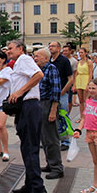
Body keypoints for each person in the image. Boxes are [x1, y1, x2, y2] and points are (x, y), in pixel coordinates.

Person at [7, 40, 48, 193]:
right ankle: (30, 183)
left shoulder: (24, 59)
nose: (8, 51)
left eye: (10, 48)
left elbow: (39, 75)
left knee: (30, 147)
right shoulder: (18, 63)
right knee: (26, 147)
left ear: (20, 49)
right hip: (25, 107)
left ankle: (38, 188)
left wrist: (20, 91)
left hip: (30, 105)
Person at [74, 78, 97, 193]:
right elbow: (84, 117)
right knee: (95, 161)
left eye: (94, 88)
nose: (91, 90)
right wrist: (78, 130)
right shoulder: (88, 101)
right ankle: (94, 185)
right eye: (89, 88)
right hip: (89, 132)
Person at [34, 48, 64, 179]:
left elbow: (56, 90)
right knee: (44, 137)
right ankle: (50, 163)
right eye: (34, 56)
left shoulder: (51, 69)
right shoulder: (39, 70)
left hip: (48, 104)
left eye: (38, 57)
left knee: (51, 138)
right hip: (40, 104)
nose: (35, 59)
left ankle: (57, 167)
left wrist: (53, 110)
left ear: (46, 58)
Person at [49, 41, 74, 150]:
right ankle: (52, 139)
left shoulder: (64, 61)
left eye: (53, 46)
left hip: (61, 93)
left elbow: (70, 78)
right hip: (50, 93)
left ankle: (66, 141)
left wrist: (63, 91)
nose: (51, 48)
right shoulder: (49, 60)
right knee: (50, 116)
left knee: (63, 116)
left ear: (58, 48)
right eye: (50, 46)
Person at [73, 47, 92, 123]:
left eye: (82, 52)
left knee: (86, 100)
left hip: (85, 78)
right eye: (79, 53)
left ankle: (87, 117)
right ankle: (81, 117)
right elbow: (76, 73)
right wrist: (74, 84)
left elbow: (90, 73)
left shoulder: (89, 62)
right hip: (79, 79)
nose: (80, 54)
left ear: (85, 53)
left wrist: (88, 84)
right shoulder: (78, 62)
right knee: (81, 101)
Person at [62, 45, 78, 113]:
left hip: (69, 82)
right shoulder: (61, 58)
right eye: (64, 51)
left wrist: (74, 84)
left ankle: (68, 113)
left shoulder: (73, 61)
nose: (64, 52)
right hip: (62, 81)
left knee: (69, 100)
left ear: (70, 51)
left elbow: (75, 73)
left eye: (66, 51)